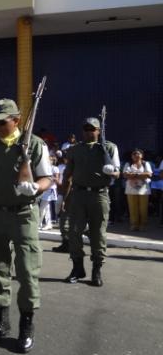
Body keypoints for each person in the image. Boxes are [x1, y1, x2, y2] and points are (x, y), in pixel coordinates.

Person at [0, 99, 53, 353]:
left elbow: (48, 177)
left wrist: (37, 187)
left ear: (16, 120)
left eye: (2, 122)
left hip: (24, 214)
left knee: (27, 271)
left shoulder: (35, 145)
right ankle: (0, 319)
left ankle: (26, 324)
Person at [62, 117, 120, 287]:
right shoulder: (74, 150)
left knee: (98, 233)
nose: (89, 132)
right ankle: (77, 268)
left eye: (92, 129)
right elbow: (68, 175)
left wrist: (112, 172)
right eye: (86, 129)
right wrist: (64, 197)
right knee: (73, 231)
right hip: (79, 195)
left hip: (99, 195)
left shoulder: (108, 147)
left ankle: (96, 270)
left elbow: (117, 172)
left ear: (99, 130)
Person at [122, 149, 152, 231]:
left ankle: (143, 224)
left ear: (142, 155)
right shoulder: (128, 164)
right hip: (131, 190)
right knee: (132, 208)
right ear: (131, 156)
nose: (136, 155)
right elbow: (125, 175)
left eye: (138, 154)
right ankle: (134, 224)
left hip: (144, 190)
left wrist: (134, 175)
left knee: (143, 208)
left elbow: (149, 174)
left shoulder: (146, 163)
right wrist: (140, 175)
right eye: (134, 154)